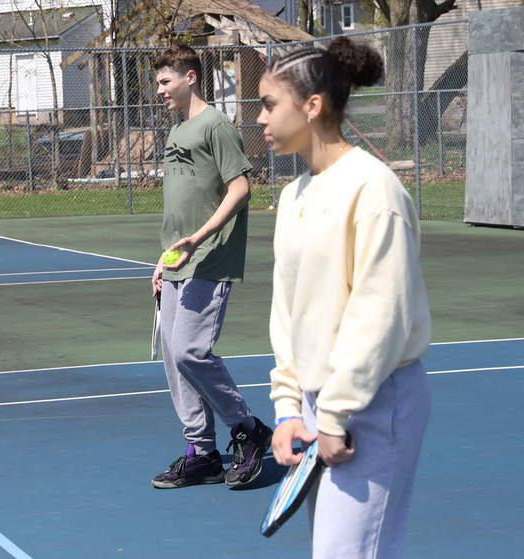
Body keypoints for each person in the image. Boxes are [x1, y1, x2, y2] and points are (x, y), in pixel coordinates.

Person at [258, 37, 433, 558]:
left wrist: (334, 416)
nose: (260, 118)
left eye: (269, 104)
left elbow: (380, 314)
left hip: (374, 402)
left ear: (312, 106)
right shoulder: (295, 195)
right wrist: (290, 407)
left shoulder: (373, 189)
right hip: (322, 405)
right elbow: (287, 312)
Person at [149, 44, 272, 489]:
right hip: (177, 262)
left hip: (210, 257)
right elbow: (181, 207)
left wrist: (199, 239)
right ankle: (202, 453)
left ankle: (249, 429)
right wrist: (163, 260)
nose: (159, 90)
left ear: (191, 77)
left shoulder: (216, 125)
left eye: (166, 81)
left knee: (190, 351)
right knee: (173, 360)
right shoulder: (177, 130)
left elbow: (240, 189)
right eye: (158, 82)